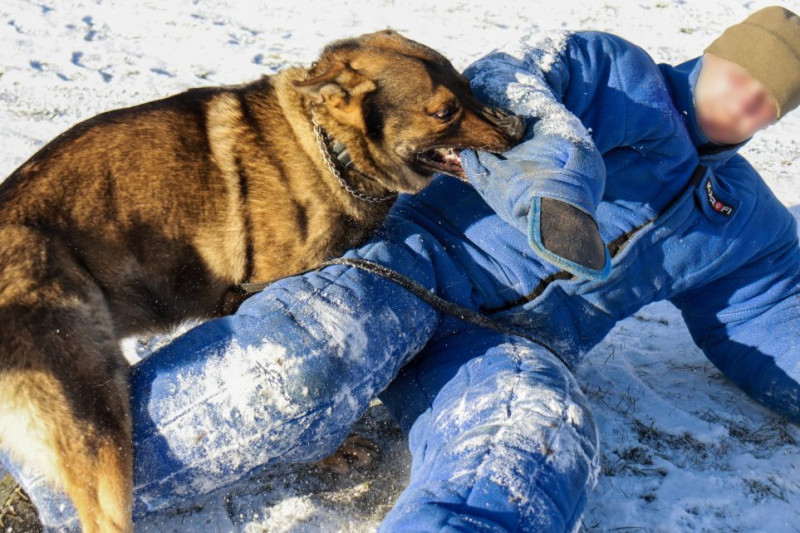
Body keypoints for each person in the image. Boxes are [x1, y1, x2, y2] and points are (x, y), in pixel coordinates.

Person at [4, 5, 800, 532]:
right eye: (742, 77)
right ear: (716, 54)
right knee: (299, 359)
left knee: (537, 438)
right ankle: (34, 476)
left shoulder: (749, 216)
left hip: (512, 345)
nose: (746, 103)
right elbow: (505, 86)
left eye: (770, 101)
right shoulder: (611, 69)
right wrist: (557, 185)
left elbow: (774, 314)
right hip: (407, 268)